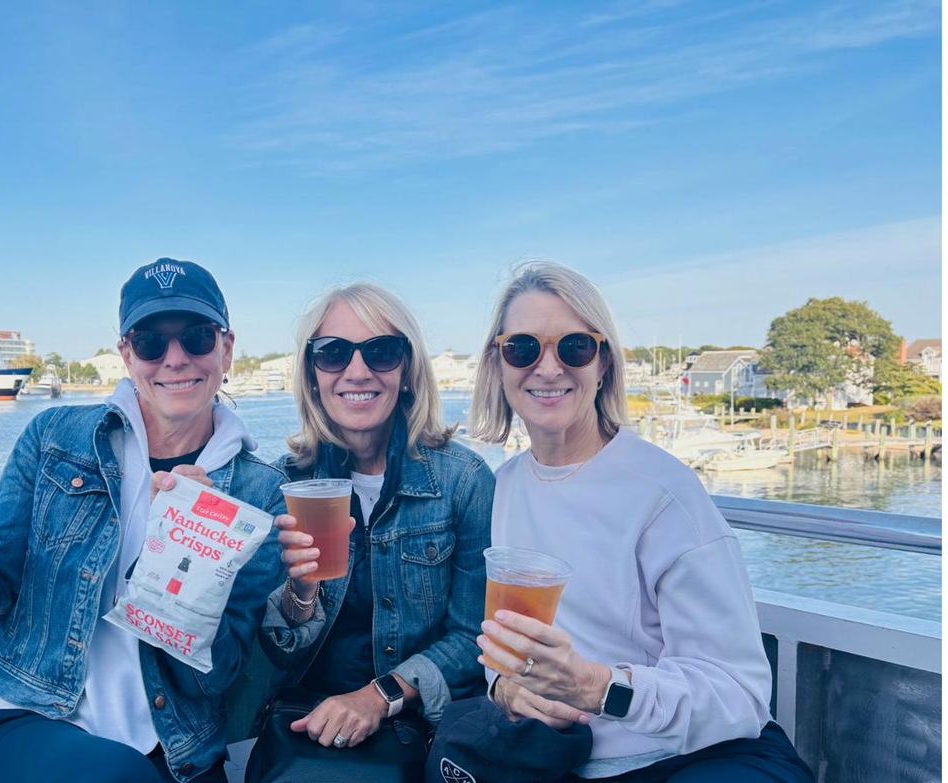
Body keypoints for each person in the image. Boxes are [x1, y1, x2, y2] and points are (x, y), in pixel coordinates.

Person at [0, 258, 287, 783]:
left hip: (178, 750)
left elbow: (218, 674)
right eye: (151, 342)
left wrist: (185, 567)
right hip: (36, 717)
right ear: (126, 355)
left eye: (198, 338)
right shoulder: (54, 438)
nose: (175, 359)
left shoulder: (261, 494)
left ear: (226, 349)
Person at [467, 262, 813, 781]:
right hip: (560, 757)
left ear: (603, 363)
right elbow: (505, 646)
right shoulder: (508, 485)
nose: (547, 367)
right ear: (497, 364)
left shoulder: (663, 493)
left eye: (574, 347)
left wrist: (598, 687)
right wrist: (505, 688)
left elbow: (739, 695)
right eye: (523, 348)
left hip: (688, 759)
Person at [251, 283, 493, 774]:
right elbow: (278, 651)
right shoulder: (285, 483)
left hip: (419, 725)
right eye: (333, 353)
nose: (357, 372)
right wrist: (302, 591)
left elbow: (474, 638)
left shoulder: (461, 481)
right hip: (306, 723)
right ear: (312, 375)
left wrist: (378, 697)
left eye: (382, 352)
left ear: (406, 373)